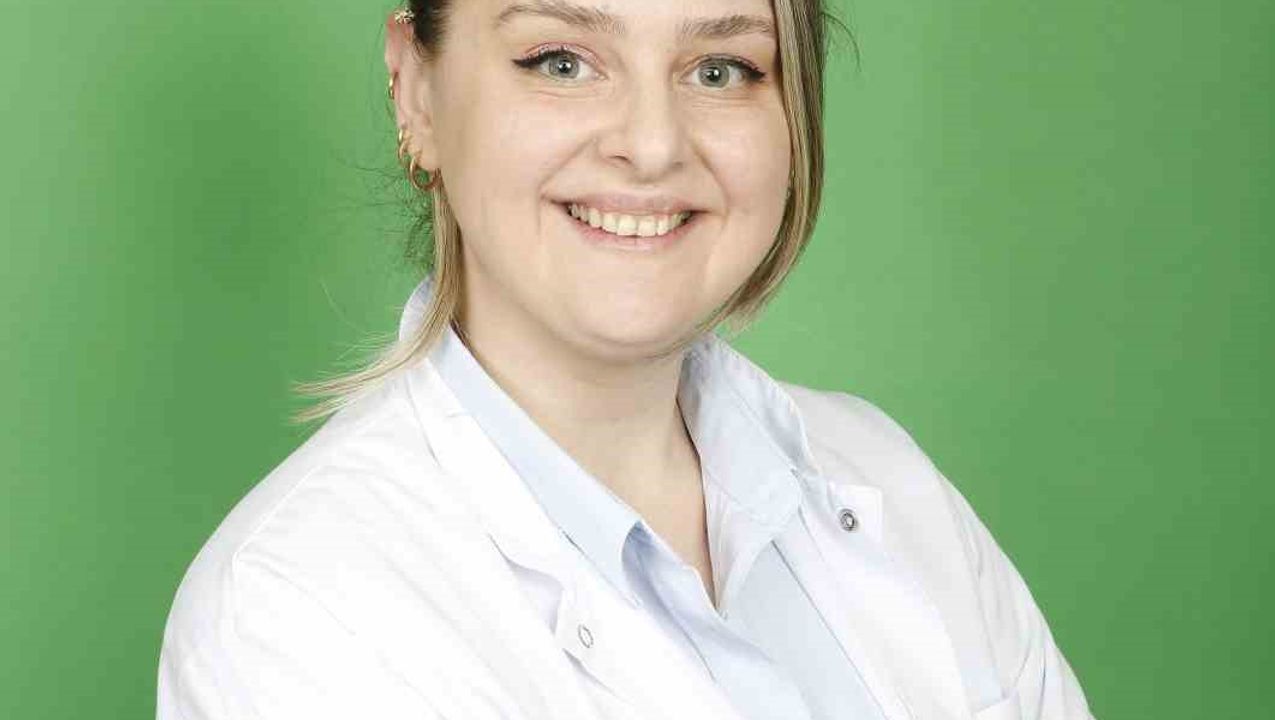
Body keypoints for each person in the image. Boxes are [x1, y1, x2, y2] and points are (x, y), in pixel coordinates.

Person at [157, 1, 1095, 718]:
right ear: (417, 92)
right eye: (561, 61)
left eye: (721, 70)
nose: (652, 146)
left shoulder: (890, 478)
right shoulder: (294, 610)